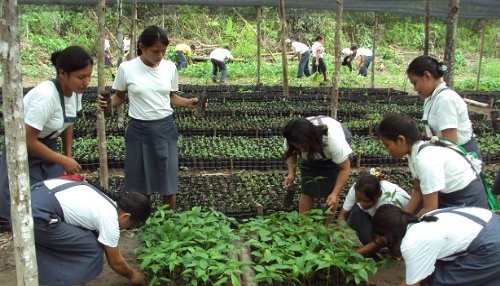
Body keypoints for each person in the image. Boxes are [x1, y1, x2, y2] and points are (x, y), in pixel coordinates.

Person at [98, 25, 198, 211]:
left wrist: (188, 102)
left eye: (163, 51)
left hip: (165, 129)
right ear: (142, 47)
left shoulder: (169, 67)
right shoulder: (126, 69)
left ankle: (167, 221)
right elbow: (119, 96)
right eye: (155, 51)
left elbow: (169, 96)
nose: (160, 55)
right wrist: (106, 105)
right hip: (138, 130)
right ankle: (142, 219)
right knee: (139, 179)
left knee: (167, 179)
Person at [0, 45, 92, 220]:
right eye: (81, 77)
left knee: (51, 191)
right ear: (62, 74)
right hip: (23, 146)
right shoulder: (46, 96)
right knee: (21, 196)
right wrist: (62, 159)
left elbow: (68, 123)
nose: (86, 82)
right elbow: (27, 140)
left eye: (89, 76)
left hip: (47, 144)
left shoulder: (75, 92)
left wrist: (67, 156)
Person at [25, 177, 150, 285]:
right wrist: (133, 275)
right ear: (126, 216)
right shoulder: (109, 217)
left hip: (30, 198)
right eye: (130, 225)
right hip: (39, 215)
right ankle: (73, 282)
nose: (126, 228)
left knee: (81, 239)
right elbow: (115, 262)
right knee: (91, 247)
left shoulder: (104, 199)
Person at [378, 113, 488, 217]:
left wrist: (409, 226)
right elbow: (418, 191)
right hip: (450, 199)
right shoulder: (414, 154)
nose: (386, 150)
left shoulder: (425, 159)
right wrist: (404, 217)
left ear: (401, 140)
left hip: (468, 203)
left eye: (387, 145)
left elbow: (430, 208)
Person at [372, 204, 500, 286]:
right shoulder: (425, 218)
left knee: (442, 282)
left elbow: (414, 284)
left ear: (388, 235)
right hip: (493, 224)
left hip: (491, 245)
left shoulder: (412, 243)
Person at [407, 55, 481, 158]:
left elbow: (450, 143)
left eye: (415, 83)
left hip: (461, 157)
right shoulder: (430, 98)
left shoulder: (445, 100)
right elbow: (429, 130)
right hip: (445, 152)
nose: (415, 88)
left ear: (427, 76)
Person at [283, 115, 352, 213]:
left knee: (330, 193)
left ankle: (325, 227)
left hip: (331, 155)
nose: (300, 149)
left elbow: (344, 168)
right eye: (297, 146)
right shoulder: (291, 136)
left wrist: (335, 193)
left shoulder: (333, 141)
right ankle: (304, 226)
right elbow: (291, 153)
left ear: (309, 139)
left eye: (302, 145)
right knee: (307, 190)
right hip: (314, 151)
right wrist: (291, 173)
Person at [338, 171, 410, 257]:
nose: (362, 204)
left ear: (378, 195)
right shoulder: (356, 190)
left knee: (391, 241)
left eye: (366, 201)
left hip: (401, 227)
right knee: (355, 211)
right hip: (377, 219)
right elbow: (342, 215)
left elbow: (383, 239)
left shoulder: (389, 202)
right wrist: (340, 242)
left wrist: (354, 254)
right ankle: (370, 247)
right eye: (358, 200)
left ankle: (388, 248)